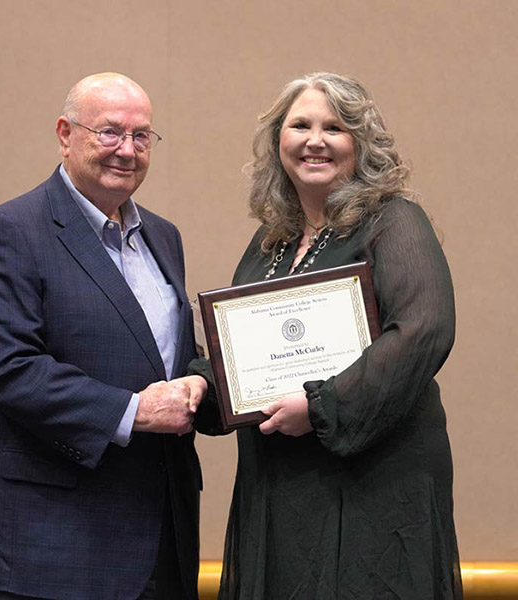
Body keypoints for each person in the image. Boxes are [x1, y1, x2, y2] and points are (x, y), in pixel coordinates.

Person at [190, 72, 463, 599]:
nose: (315, 140)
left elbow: (425, 330)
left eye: (334, 127)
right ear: (278, 142)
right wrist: (203, 384)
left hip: (375, 486)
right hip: (281, 484)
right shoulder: (270, 242)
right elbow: (245, 350)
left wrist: (320, 407)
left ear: (361, 143)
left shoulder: (394, 221)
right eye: (300, 125)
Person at [0, 73, 206, 600]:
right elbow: (10, 371)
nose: (127, 150)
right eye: (110, 132)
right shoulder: (12, 230)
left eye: (142, 136)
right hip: (52, 549)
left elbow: (172, 358)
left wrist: (203, 382)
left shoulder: (163, 237)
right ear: (65, 134)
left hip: (162, 543)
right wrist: (135, 412)